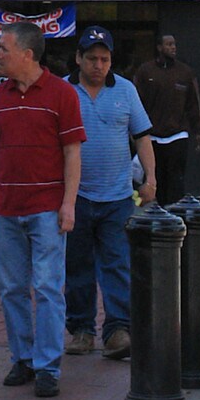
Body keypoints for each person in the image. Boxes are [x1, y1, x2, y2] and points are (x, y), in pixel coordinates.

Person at [0, 20, 84, 398]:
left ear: (26, 53)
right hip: (6, 207)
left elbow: (73, 152)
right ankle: (23, 358)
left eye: (3, 49)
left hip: (46, 208)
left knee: (48, 287)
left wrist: (68, 204)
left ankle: (47, 366)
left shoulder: (62, 94)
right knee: (12, 288)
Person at [64, 26, 154, 360]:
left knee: (118, 263)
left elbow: (143, 137)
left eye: (104, 59)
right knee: (77, 267)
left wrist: (150, 179)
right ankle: (82, 330)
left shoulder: (126, 91)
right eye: (91, 59)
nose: (98, 65)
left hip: (117, 197)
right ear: (78, 59)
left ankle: (118, 329)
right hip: (75, 197)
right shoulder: (63, 91)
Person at [137, 33, 200, 203]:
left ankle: (175, 216)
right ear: (159, 47)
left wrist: (198, 130)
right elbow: (137, 103)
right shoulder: (146, 71)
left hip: (178, 133)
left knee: (176, 180)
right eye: (169, 44)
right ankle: (159, 213)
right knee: (157, 179)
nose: (173, 47)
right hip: (153, 135)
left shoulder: (185, 72)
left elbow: (193, 103)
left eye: (174, 44)